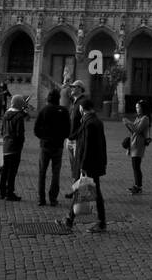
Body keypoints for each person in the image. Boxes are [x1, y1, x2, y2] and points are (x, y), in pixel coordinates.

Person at [66, 95, 107, 232]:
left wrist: (83, 166)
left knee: (83, 190)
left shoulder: (89, 123)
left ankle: (70, 220)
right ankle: (69, 220)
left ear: (82, 108)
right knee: (89, 191)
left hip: (89, 164)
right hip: (95, 163)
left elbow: (87, 147)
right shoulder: (94, 121)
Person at [34, 87, 70, 206]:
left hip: (45, 145)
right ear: (58, 98)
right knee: (56, 173)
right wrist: (61, 138)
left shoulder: (44, 110)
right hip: (58, 146)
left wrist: (43, 137)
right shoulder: (63, 111)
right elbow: (68, 130)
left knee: (42, 172)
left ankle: (41, 198)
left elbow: (36, 129)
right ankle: (53, 198)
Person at [0, 94, 28, 200]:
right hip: (15, 146)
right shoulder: (19, 117)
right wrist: (21, 142)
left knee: (5, 169)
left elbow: (2, 129)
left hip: (6, 144)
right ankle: (10, 193)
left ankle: (2, 191)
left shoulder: (6, 113)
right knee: (12, 171)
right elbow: (19, 134)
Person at [64, 79, 87, 196]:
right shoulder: (74, 101)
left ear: (79, 89)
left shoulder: (82, 102)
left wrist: (78, 135)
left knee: (78, 166)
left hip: (77, 140)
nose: (71, 88)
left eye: (74, 87)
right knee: (74, 166)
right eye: (71, 86)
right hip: (70, 138)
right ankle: (75, 190)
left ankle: (77, 191)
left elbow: (85, 121)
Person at [125, 99, 151, 194]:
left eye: (138, 107)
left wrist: (128, 122)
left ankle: (138, 186)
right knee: (135, 166)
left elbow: (137, 129)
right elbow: (132, 130)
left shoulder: (145, 118)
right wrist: (127, 125)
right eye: (136, 107)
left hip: (139, 144)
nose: (137, 109)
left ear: (143, 108)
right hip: (133, 143)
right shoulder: (138, 118)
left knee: (136, 166)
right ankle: (137, 185)